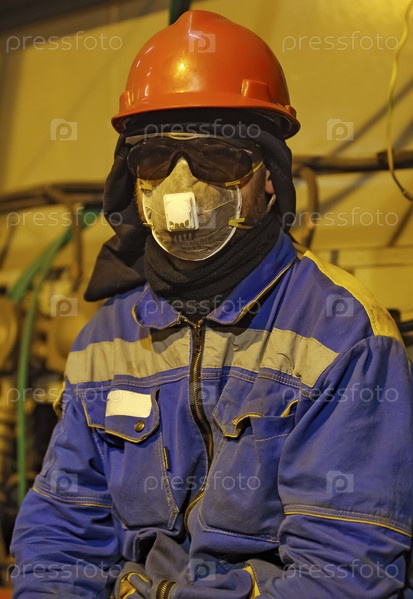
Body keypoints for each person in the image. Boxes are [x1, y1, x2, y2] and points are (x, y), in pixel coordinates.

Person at [10, 9, 413, 599]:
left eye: (216, 158)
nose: (182, 190)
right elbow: (60, 538)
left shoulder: (343, 335)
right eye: (155, 160)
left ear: (268, 176)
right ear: (132, 178)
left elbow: (344, 572)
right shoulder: (106, 340)